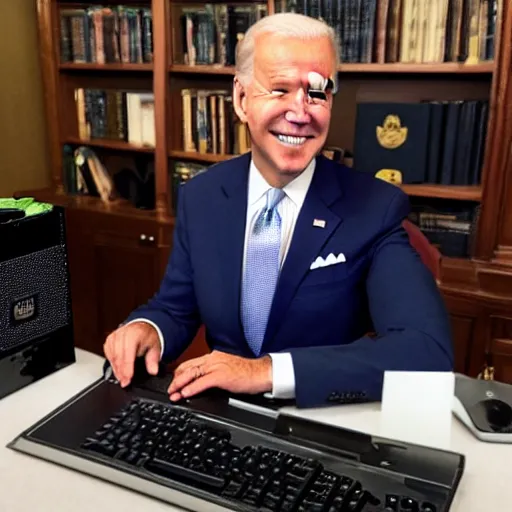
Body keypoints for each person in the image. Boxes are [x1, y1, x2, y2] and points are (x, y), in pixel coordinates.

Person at [103, 13, 453, 409]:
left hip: (322, 422)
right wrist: (149, 329)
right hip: (220, 418)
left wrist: (267, 371)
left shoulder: (375, 208)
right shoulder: (202, 196)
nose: (300, 112)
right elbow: (176, 307)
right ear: (240, 99)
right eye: (280, 89)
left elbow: (426, 353)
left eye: (316, 92)